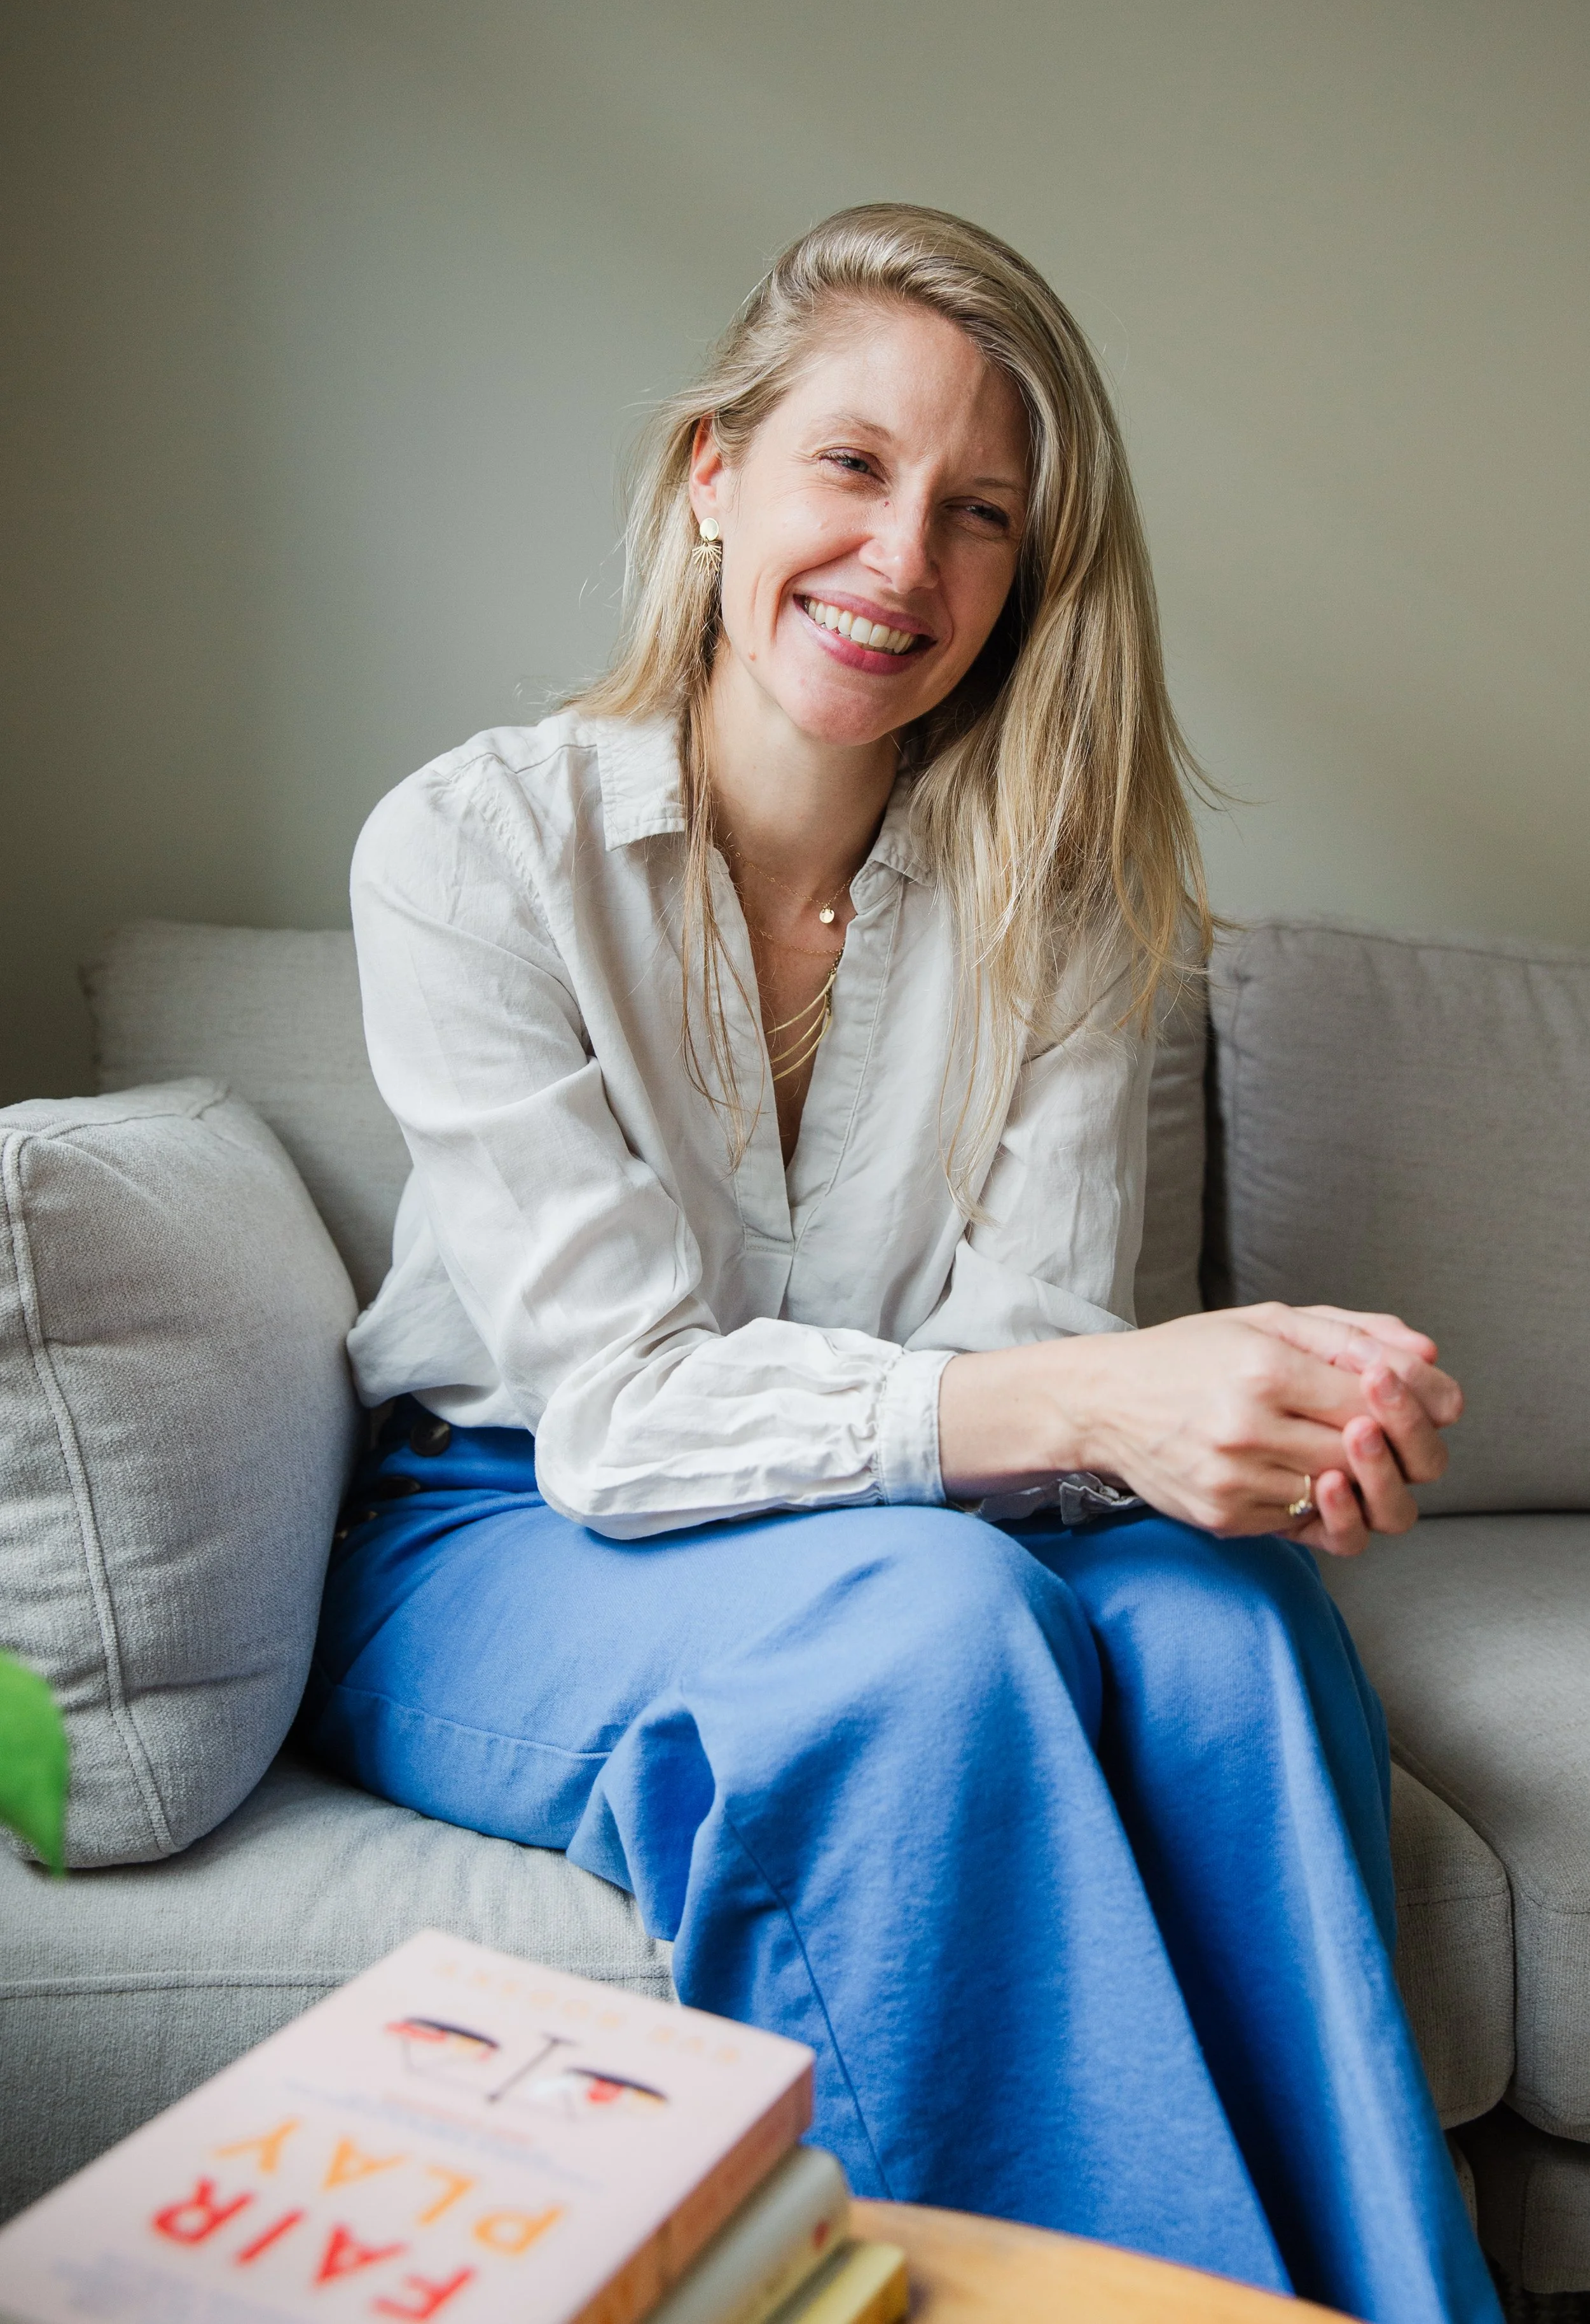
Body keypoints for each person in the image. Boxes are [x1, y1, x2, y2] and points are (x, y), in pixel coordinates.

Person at [302, 204, 1500, 2323]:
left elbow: (1032, 1355)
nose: (900, 563)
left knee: (1229, 1631)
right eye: (849, 468)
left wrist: (1235, 1427)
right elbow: (619, 1416)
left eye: (977, 513)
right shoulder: (470, 853)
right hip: (508, 1519)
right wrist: (1110, 1399)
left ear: (1027, 572)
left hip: (914, 1512)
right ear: (714, 477)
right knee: (926, 1632)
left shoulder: (1065, 901)